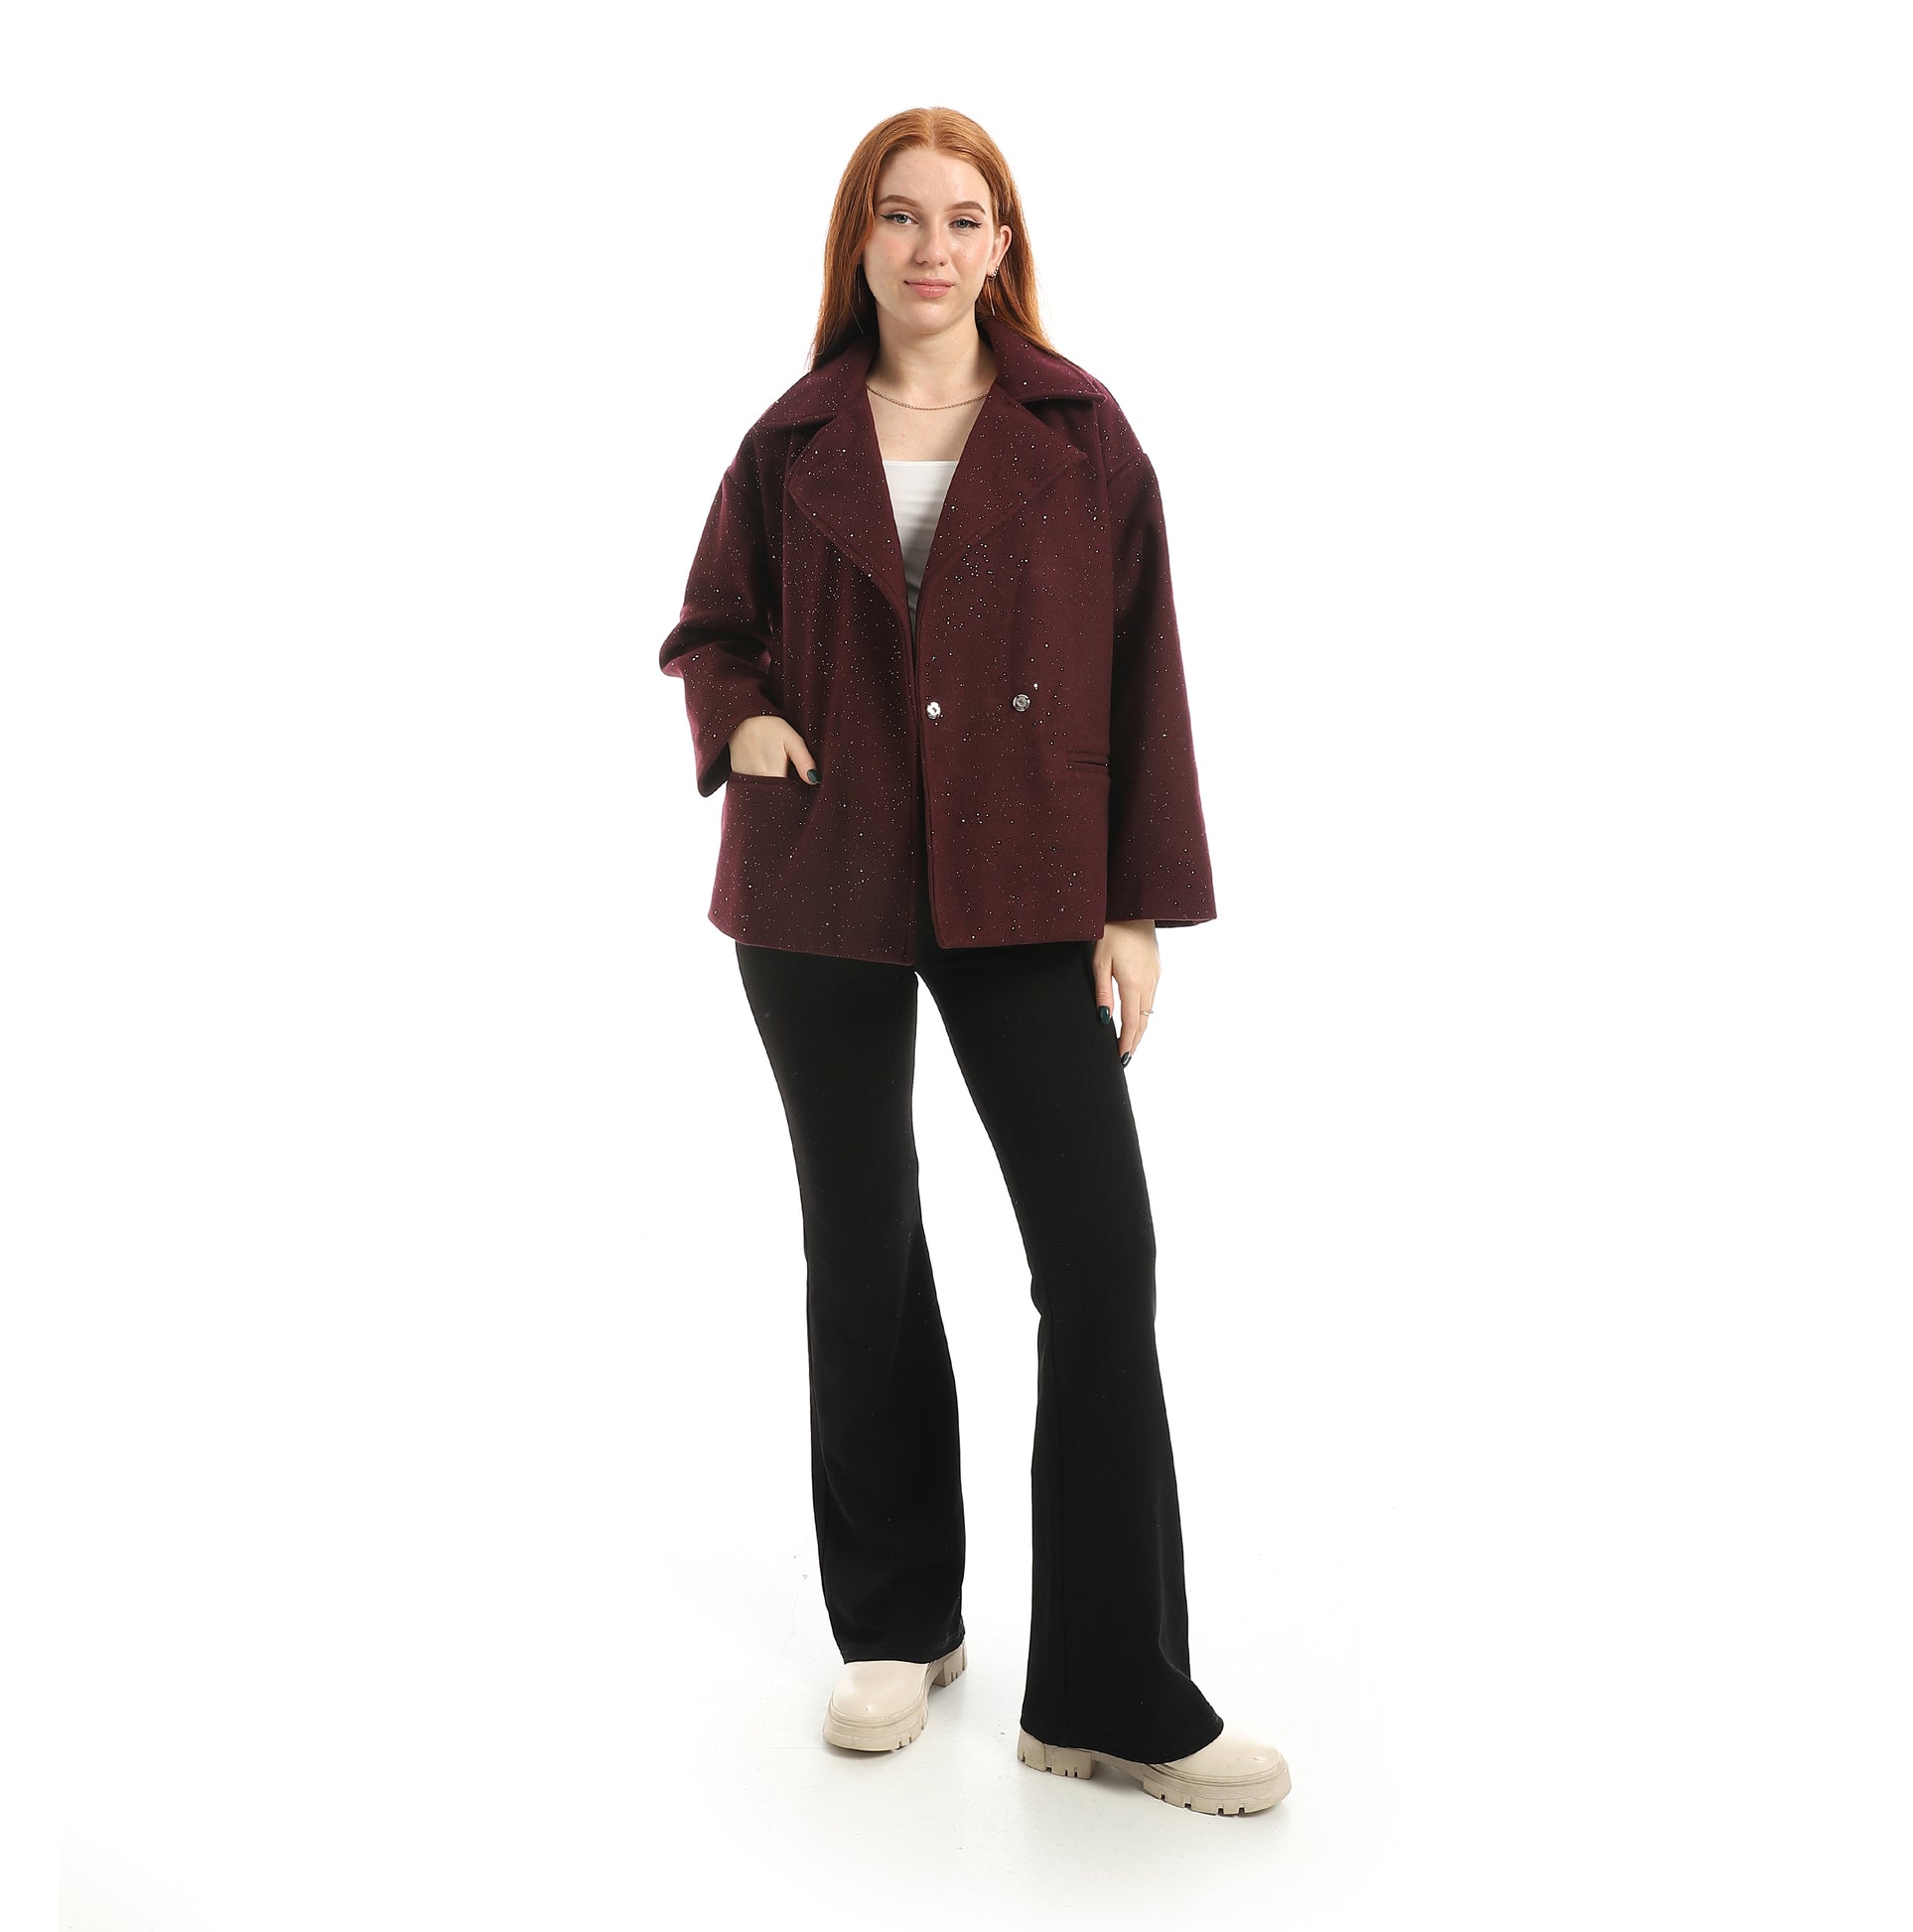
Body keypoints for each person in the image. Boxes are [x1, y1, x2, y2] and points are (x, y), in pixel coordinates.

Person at [659, 106, 1291, 1818]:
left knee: (1098, 1260)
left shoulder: (1078, 431)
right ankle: (894, 1624)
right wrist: (746, 721)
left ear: (1002, 243)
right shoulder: (789, 439)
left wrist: (1134, 904)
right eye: (899, 215)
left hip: (1030, 879)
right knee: (860, 1240)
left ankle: (1108, 1691)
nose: (931, 247)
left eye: (963, 216)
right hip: (823, 873)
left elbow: (1144, 662)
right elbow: (709, 627)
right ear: (857, 242)